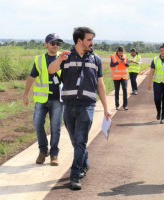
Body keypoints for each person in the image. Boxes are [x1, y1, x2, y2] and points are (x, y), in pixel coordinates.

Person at [48, 27, 112, 190]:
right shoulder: (66, 57)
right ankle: (84, 163)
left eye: (92, 40)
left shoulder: (96, 59)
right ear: (79, 41)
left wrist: (106, 107)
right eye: (89, 39)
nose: (92, 43)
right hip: (68, 105)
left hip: (87, 105)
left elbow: (101, 85)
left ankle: (75, 175)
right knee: (75, 141)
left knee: (81, 140)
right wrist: (60, 60)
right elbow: (51, 70)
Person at [23, 33, 64, 166]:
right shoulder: (39, 60)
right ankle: (42, 151)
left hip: (58, 98)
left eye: (58, 43)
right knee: (38, 124)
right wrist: (25, 94)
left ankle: (54, 154)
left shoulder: (64, 58)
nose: (55, 46)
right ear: (46, 44)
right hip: (41, 99)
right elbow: (31, 77)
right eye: (53, 43)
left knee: (55, 127)